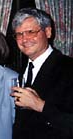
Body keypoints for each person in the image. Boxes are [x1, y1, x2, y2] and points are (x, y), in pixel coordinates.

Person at [10, 8, 73, 139]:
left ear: (48, 32)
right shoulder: (20, 70)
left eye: (30, 32)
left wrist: (40, 105)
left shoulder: (68, 68)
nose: (24, 39)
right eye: (19, 34)